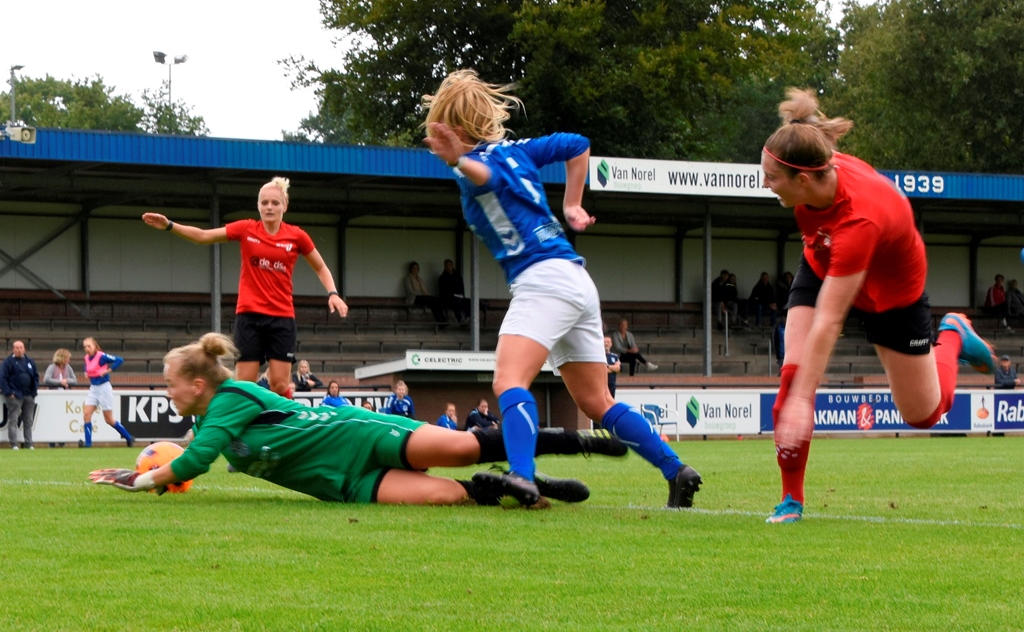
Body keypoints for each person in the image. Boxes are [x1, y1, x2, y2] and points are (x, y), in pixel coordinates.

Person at [422, 69, 701, 508]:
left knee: (509, 380)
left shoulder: (472, 167)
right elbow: (577, 143)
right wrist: (572, 202)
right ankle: (676, 469)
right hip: (576, 279)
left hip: (543, 281)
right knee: (596, 401)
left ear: (454, 129)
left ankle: (523, 478)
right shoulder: (521, 152)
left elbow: (486, 178)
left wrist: (458, 160)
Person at [760, 88, 995, 524]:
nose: (766, 184)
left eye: (772, 177)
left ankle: (952, 335)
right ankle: (791, 499)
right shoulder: (812, 174)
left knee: (924, 414)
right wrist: (797, 395)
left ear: (803, 181)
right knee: (791, 383)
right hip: (824, 261)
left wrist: (803, 404)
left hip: (891, 291)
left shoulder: (859, 218)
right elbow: (823, 308)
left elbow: (829, 322)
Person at [89, 333, 629, 506]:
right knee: (449, 496)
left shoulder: (229, 397)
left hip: (355, 435)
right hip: (343, 482)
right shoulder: (212, 417)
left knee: (465, 445)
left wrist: (138, 480)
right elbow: (191, 453)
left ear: (198, 384)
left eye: (169, 383)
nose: (167, 391)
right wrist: (148, 473)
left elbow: (198, 460)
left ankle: (577, 442)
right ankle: (520, 487)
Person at [142, 176, 348, 398]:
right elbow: (203, 236)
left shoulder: (297, 236)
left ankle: (281, 427)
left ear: (285, 206)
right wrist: (169, 226)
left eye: (275, 203)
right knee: (244, 386)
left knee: (280, 385)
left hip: (282, 318)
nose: (269, 207)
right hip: (249, 318)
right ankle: (247, 429)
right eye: (264, 203)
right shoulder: (246, 229)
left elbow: (321, 267)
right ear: (258, 206)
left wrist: (333, 293)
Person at [81, 337, 134, 447]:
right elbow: (88, 367)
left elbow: (119, 360)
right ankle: (88, 444)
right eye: (85, 347)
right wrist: (86, 372)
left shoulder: (102, 356)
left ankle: (129, 437)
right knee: (86, 414)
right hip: (94, 388)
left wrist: (108, 371)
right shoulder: (86, 357)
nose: (87, 349)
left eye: (89, 346)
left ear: (95, 346)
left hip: (104, 388)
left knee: (109, 419)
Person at [1, 340, 39, 450]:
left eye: (21, 347)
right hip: (15, 395)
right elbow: (3, 379)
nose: (19, 350)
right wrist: (9, 392)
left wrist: (33, 392)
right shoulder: (8, 362)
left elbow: (36, 377)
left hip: (28, 395)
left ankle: (29, 443)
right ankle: (13, 443)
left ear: (24, 348)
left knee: (28, 420)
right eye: (17, 348)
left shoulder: (29, 361)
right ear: (13, 349)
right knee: (13, 419)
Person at [437, 259, 470, 323]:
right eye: (446, 266)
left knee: (468, 302)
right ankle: (460, 320)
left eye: (449, 265)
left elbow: (462, 288)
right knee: (454, 302)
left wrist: (461, 295)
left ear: (452, 266)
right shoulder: (442, 278)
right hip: (448, 299)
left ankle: (467, 317)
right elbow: (443, 291)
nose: (448, 267)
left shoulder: (458, 276)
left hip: (459, 297)